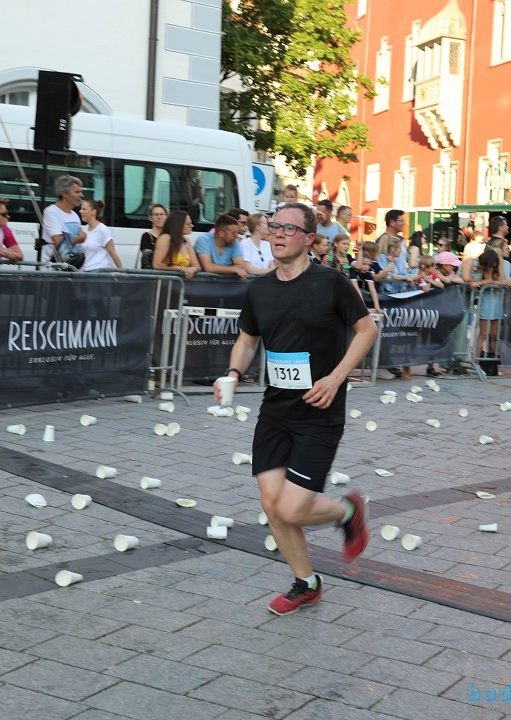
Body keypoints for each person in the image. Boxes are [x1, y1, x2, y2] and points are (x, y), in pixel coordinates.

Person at [215, 201, 377, 615]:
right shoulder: (260, 288)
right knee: (271, 503)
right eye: (274, 227)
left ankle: (347, 510)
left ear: (309, 239)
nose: (279, 234)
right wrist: (233, 374)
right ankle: (306, 583)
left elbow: (366, 330)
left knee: (292, 506)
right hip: (276, 409)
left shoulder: (332, 282)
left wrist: (335, 378)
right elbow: (248, 340)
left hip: (320, 411)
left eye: (289, 228)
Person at [466, 248, 506, 376]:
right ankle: (476, 362)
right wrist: (478, 283)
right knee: (482, 334)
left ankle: (491, 361)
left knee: (494, 334)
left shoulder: (489, 268)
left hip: (492, 300)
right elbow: (466, 278)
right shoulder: (472, 262)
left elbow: (490, 280)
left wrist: (479, 283)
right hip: (481, 299)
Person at [42, 174, 85, 265]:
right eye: (77, 192)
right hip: (55, 271)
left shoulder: (75, 215)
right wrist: (80, 238)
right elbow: (58, 241)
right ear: (64, 194)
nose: (81, 195)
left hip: (73, 269)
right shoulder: (51, 212)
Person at [196, 213, 249, 279]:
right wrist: (233, 269)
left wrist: (220, 269)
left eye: (237, 233)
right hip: (204, 284)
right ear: (222, 233)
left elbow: (241, 267)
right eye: (234, 233)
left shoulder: (234, 242)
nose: (237, 236)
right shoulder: (203, 240)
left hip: (225, 285)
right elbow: (208, 267)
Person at [153, 210, 202, 279]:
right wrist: (182, 268)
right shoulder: (165, 238)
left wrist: (194, 269)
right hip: (166, 282)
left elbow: (197, 265)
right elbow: (157, 265)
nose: (192, 225)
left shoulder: (186, 241)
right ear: (179, 225)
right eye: (188, 224)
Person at [77, 200, 122, 272]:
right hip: (85, 273)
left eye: (84, 209)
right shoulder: (84, 229)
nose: (80, 211)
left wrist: (123, 273)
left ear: (93, 212)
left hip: (99, 274)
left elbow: (113, 253)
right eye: (81, 208)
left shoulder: (103, 230)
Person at [138, 204, 167, 269]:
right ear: (151, 218)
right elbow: (147, 260)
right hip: (153, 274)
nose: (159, 217)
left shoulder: (170, 236)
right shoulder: (147, 236)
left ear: (166, 216)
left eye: (162, 214)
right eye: (156, 214)